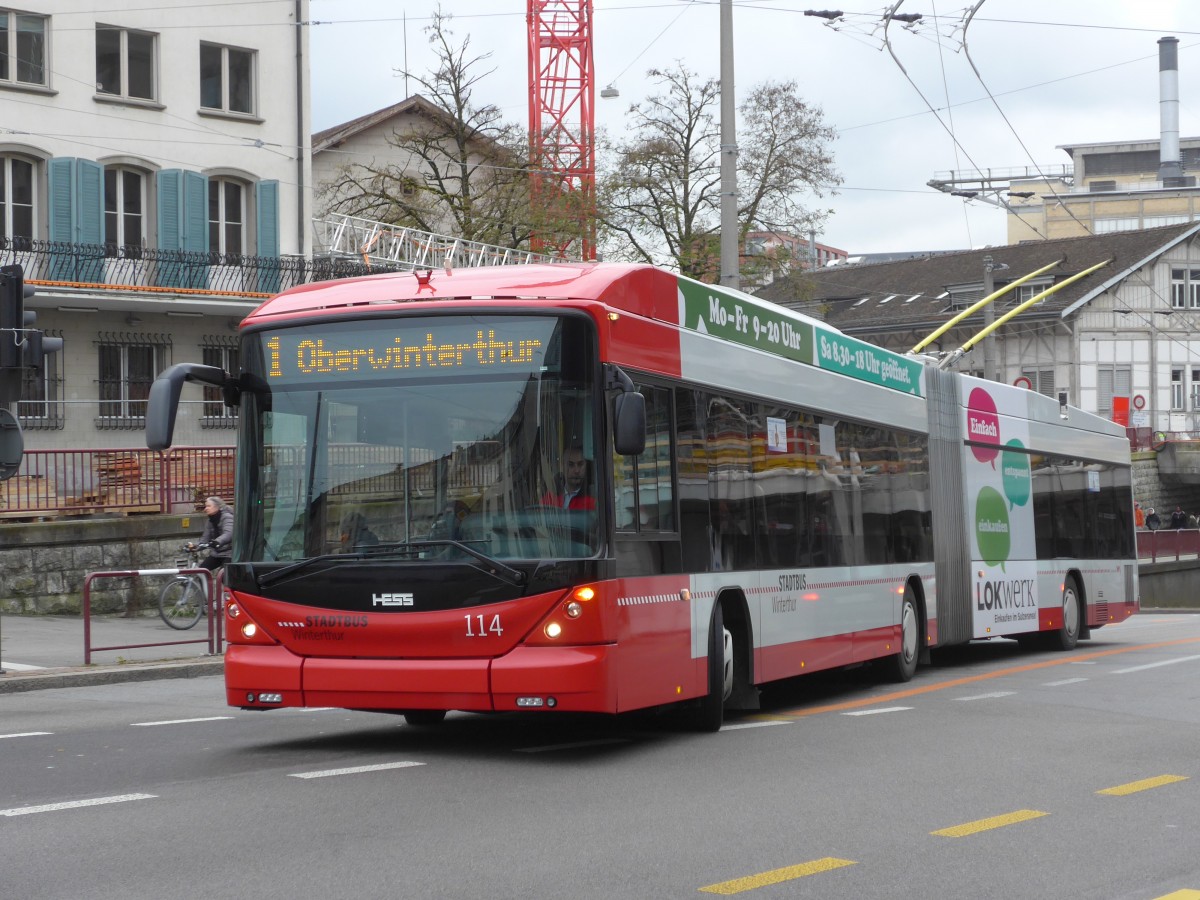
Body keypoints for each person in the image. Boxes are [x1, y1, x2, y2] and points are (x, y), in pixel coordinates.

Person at [189, 496, 233, 571]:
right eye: (206, 506)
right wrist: (196, 546)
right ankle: (205, 583)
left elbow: (229, 534)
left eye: (209, 506)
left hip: (230, 553)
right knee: (201, 572)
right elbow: (205, 539)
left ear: (217, 507)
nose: (206, 508)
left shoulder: (227, 517)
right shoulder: (210, 520)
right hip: (217, 553)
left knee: (224, 576)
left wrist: (217, 541)